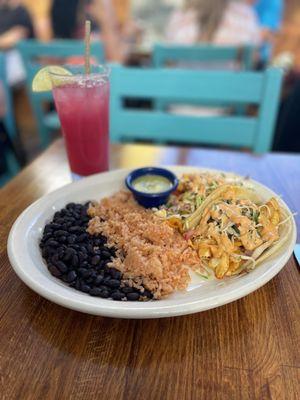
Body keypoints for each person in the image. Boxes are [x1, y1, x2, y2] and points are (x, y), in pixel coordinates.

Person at [165, 0, 261, 47]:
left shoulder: (180, 16)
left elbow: (170, 59)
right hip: (230, 85)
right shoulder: (245, 16)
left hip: (186, 85)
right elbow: (254, 57)